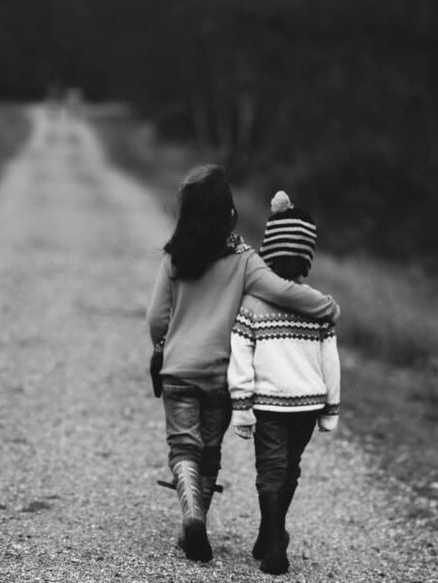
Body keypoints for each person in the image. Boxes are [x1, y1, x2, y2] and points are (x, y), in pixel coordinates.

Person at [145, 166, 341, 563]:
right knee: (209, 451)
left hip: (179, 370)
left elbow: (155, 319)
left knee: (183, 446)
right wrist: (327, 307)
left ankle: (193, 516)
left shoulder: (174, 258)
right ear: (228, 214)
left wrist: (164, 345)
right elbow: (283, 291)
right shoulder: (244, 260)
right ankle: (199, 518)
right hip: (220, 374)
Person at [228, 191, 341, 575]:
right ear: (307, 259)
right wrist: (331, 409)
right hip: (308, 404)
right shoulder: (317, 306)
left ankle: (274, 542)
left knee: (271, 471)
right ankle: (271, 533)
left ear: (267, 253)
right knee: (290, 468)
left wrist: (241, 407)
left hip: (269, 404)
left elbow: (240, 357)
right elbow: (331, 362)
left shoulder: (252, 304)